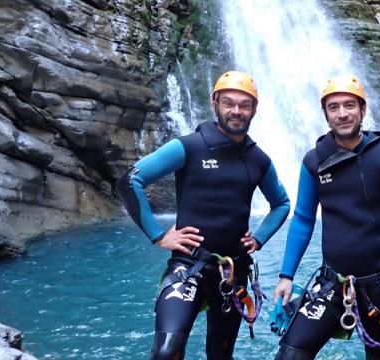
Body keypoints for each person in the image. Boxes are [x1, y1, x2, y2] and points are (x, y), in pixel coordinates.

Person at [115, 71, 290, 359]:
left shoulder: (258, 159)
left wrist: (259, 238)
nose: (236, 111)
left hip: (233, 272)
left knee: (220, 355)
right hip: (189, 266)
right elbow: (130, 180)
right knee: (167, 351)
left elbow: (281, 203)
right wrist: (158, 236)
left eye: (244, 105)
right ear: (214, 103)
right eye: (228, 103)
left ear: (254, 109)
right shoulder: (190, 146)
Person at [272, 75, 380, 360]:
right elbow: (303, 219)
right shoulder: (314, 161)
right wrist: (286, 275)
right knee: (291, 354)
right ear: (326, 114)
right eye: (334, 107)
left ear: (363, 110)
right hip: (333, 283)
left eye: (349, 105)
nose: (342, 113)